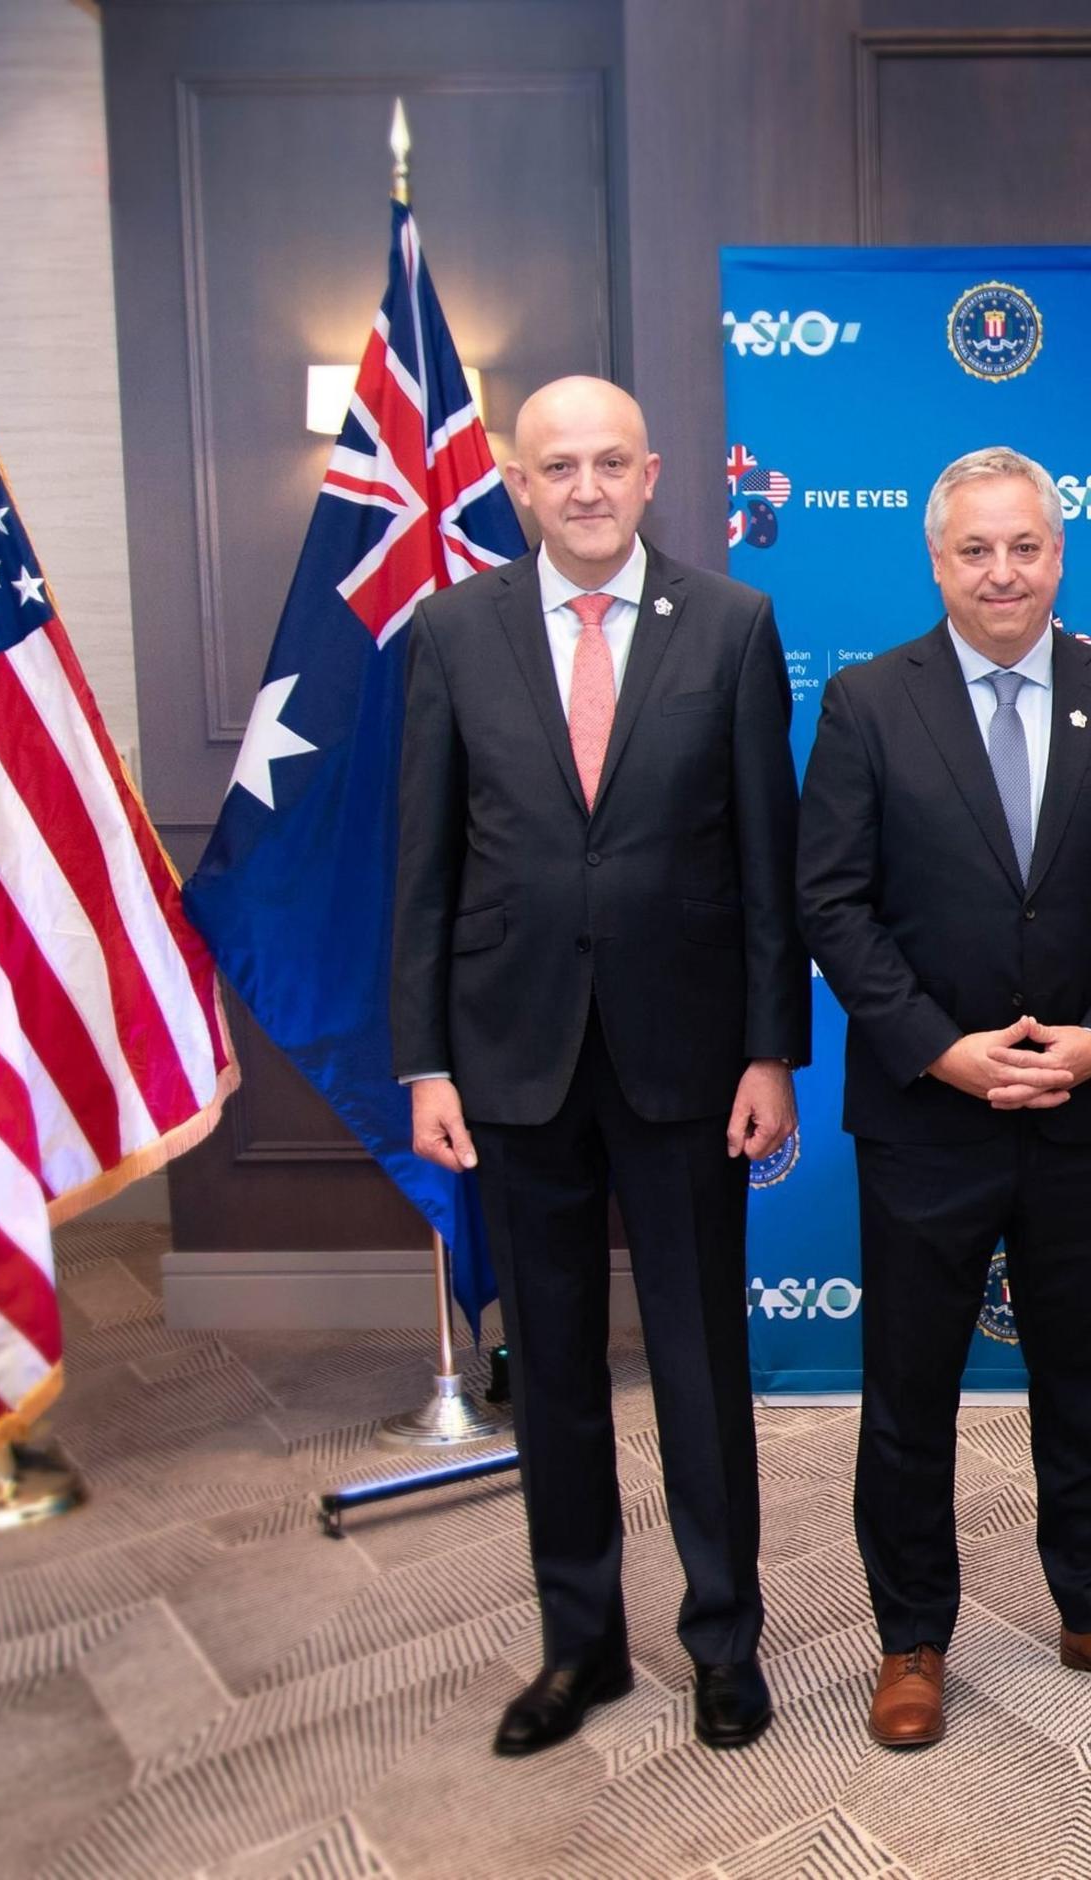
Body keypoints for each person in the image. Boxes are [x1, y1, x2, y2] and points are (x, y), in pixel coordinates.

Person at [392, 375, 805, 1755]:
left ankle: (722, 1643)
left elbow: (767, 862)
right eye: (555, 465)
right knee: (553, 1369)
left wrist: (772, 1051)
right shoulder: (454, 630)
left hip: (689, 1058)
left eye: (608, 462)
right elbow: (426, 868)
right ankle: (581, 1648)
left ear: (652, 475)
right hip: (510, 1059)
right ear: (517, 485)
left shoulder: (734, 626)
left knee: (700, 1365)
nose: (582, 486)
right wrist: (425, 1064)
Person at [797, 445, 1091, 1750]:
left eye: (1024, 546)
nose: (1002, 572)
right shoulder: (867, 703)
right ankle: (911, 1637)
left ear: (1060, 553)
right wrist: (940, 1048)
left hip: (1081, 1113)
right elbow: (833, 904)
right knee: (909, 1393)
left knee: (1080, 1384)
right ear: (936, 562)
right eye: (975, 550)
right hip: (926, 1114)